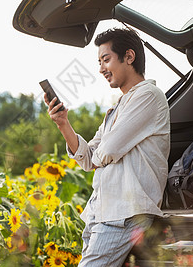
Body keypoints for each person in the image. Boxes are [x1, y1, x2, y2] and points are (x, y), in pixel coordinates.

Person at [44, 28, 170, 266]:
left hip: (125, 212)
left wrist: (99, 154)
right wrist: (63, 124)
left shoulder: (149, 96)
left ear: (129, 57)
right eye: (99, 62)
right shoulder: (116, 110)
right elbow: (88, 159)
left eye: (106, 59)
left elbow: (107, 150)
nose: (101, 68)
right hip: (101, 212)